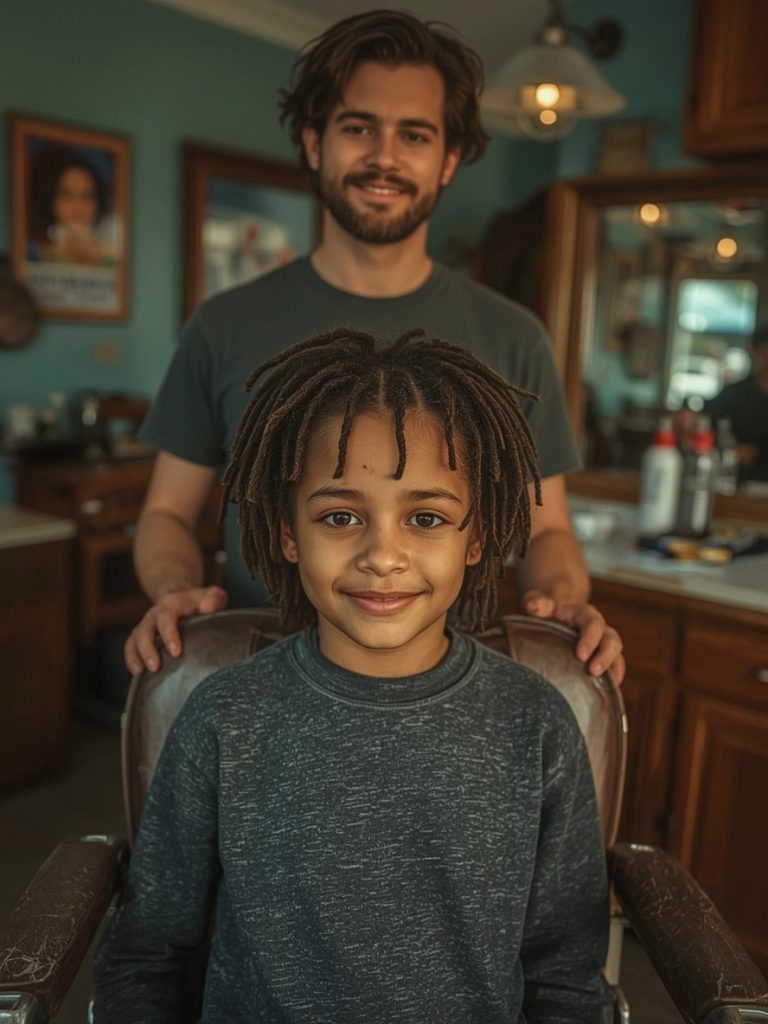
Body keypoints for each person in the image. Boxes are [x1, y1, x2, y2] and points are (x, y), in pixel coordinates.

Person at [94, 329, 612, 1023]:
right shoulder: (224, 716)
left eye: (426, 517)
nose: (383, 555)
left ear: (478, 537)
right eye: (340, 516)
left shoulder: (536, 722)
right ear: (286, 531)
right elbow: (144, 955)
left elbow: (565, 977)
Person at [125, 9, 624, 685]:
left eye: (413, 134)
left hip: (453, 691)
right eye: (358, 127)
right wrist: (174, 588)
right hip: (263, 680)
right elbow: (165, 514)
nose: (384, 157)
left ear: (448, 159)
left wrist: (566, 602)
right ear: (313, 142)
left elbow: (548, 530)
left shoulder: (513, 337)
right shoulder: (225, 324)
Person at [28, 142, 115, 266]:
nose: (78, 207)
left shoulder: (112, 256)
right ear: (51, 199)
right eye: (66, 195)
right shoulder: (35, 254)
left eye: (87, 196)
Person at [700, 328, 768, 482]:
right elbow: (705, 420)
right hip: (741, 480)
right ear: (758, 351)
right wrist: (730, 450)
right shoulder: (738, 392)